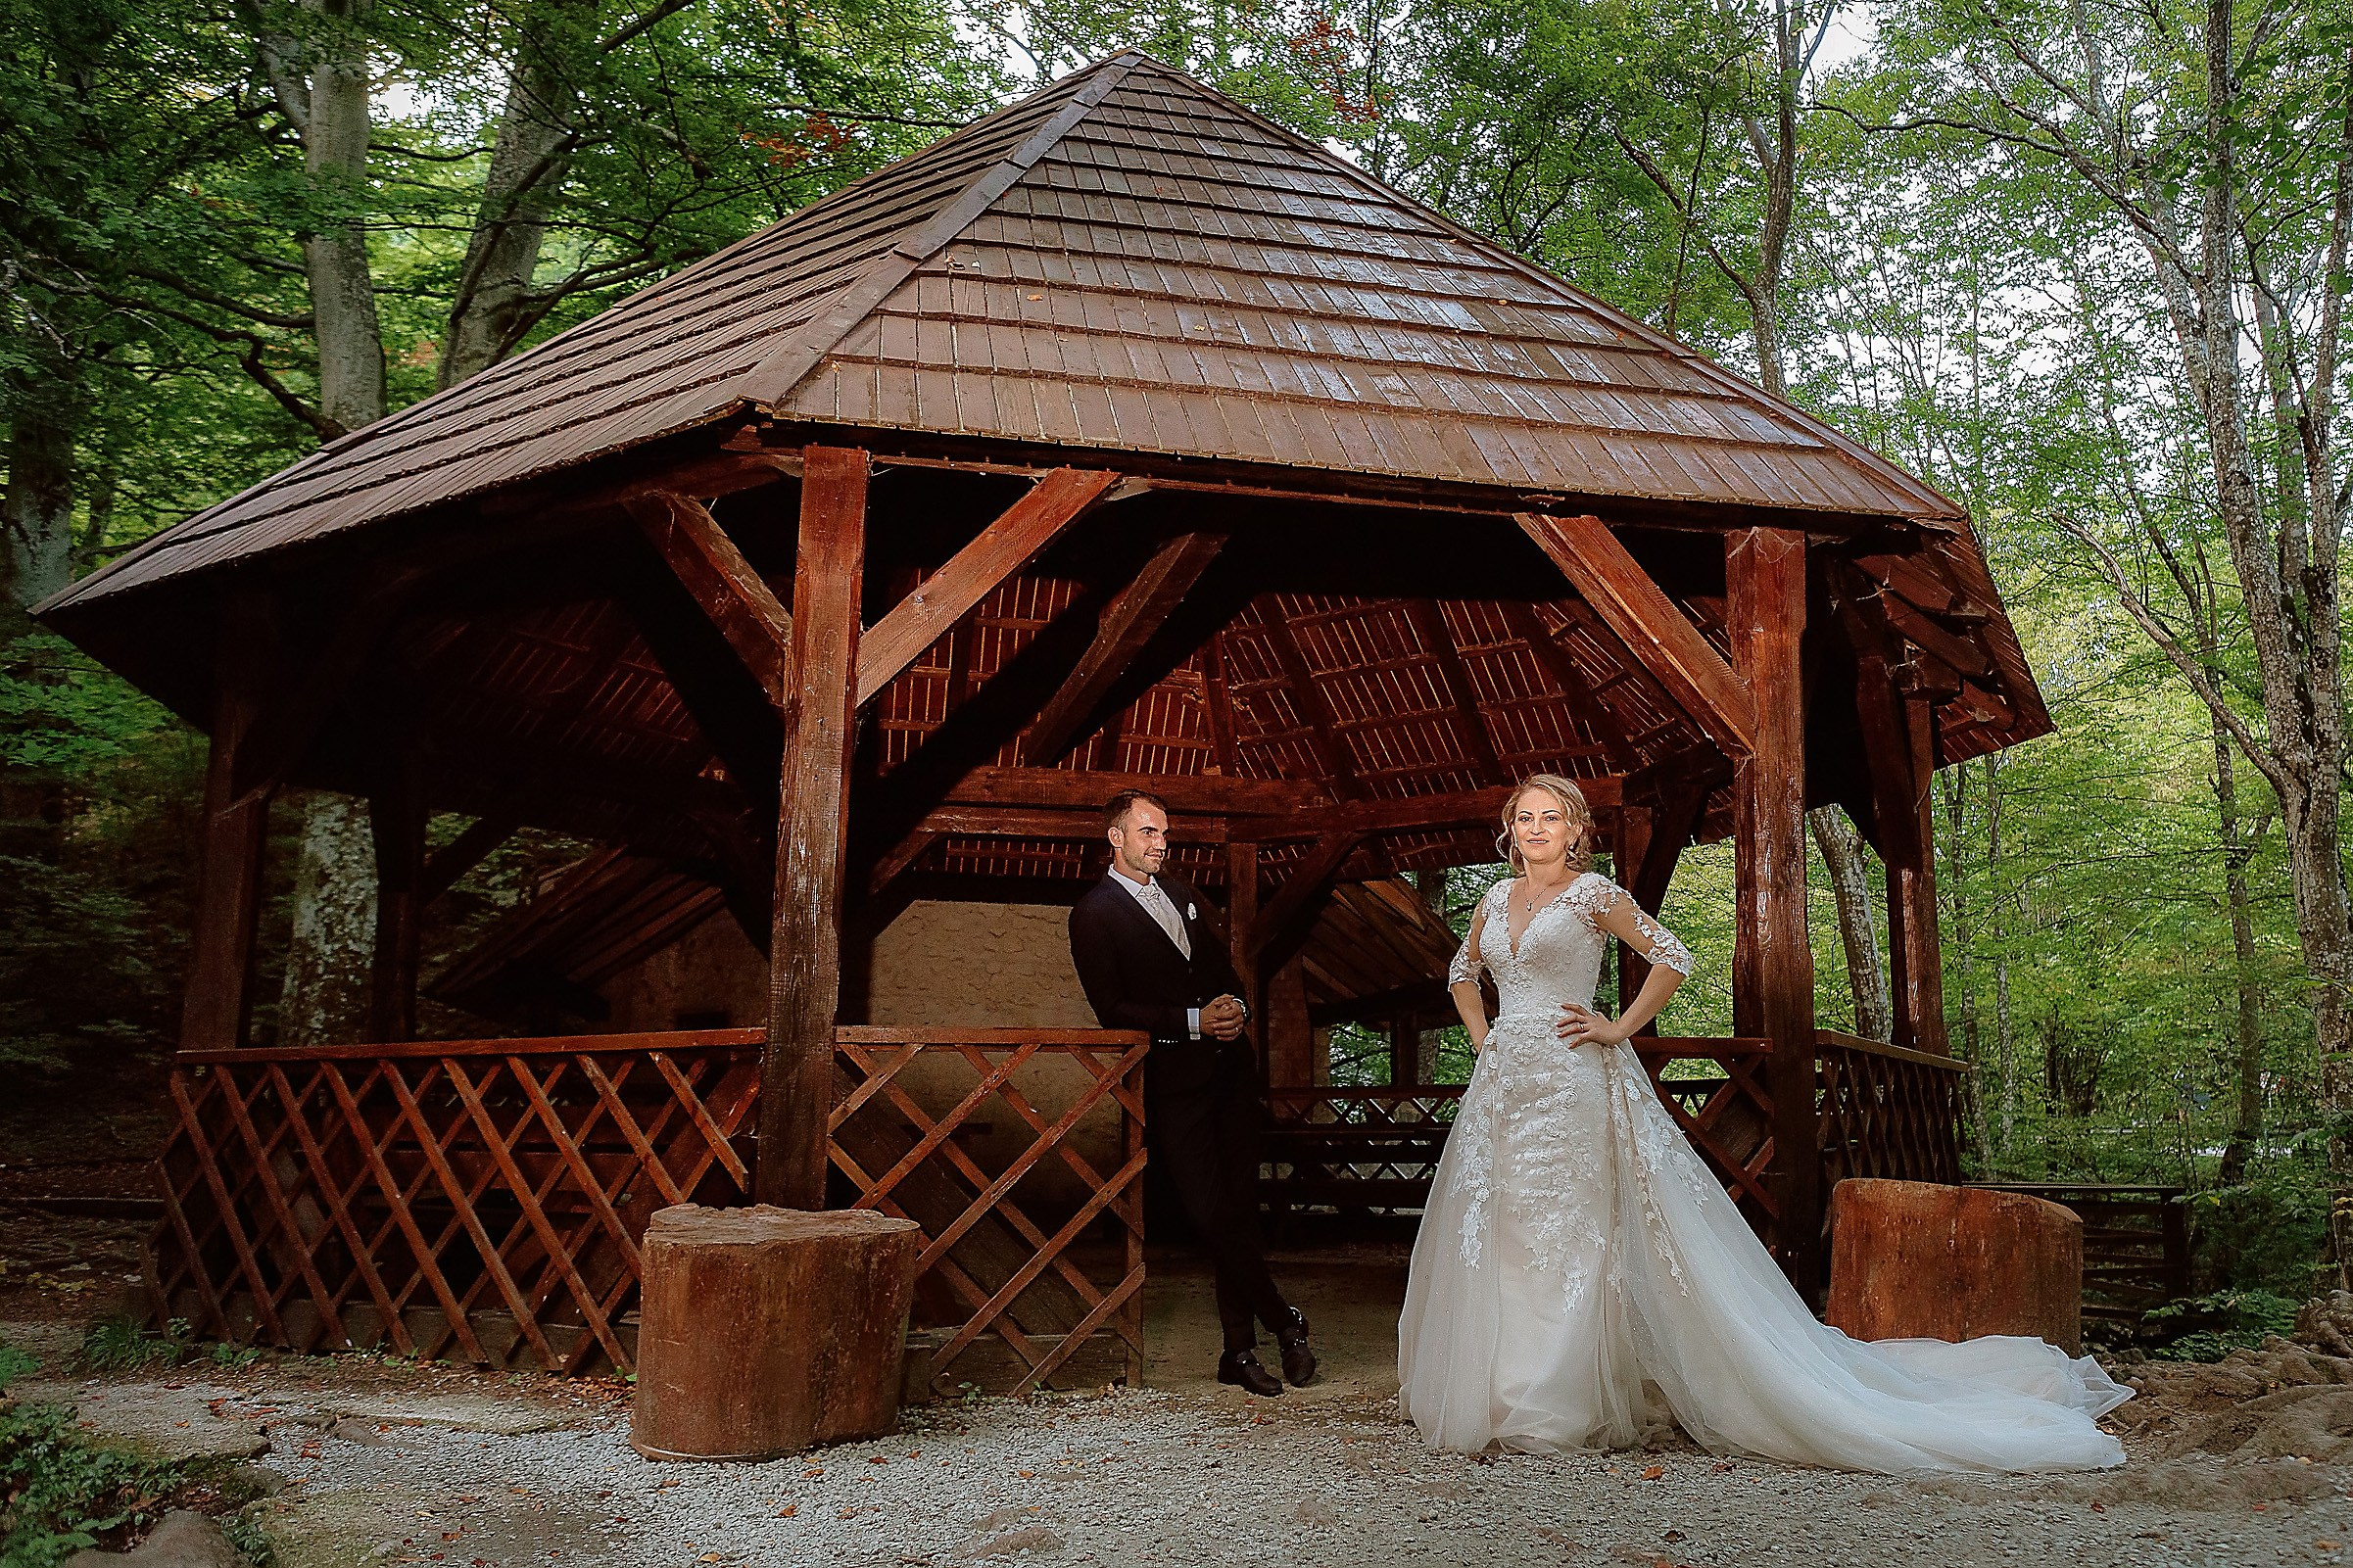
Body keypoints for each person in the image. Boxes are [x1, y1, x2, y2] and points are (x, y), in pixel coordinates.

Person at [1398, 773, 2131, 1471]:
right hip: (1504, 1087)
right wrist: (1484, 1035)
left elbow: (1673, 956)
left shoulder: (1594, 894)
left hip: (1572, 1083)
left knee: (1571, 1231)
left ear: (1576, 830)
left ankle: (1552, 1402)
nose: (1535, 829)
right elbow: (1462, 972)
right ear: (1510, 830)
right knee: (1505, 1233)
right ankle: (1492, 1389)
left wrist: (1619, 1027)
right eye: (1524, 818)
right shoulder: (1493, 899)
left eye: (1549, 817)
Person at [1069, 789, 1314, 1396]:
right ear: (1116, 838)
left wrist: (1236, 1008)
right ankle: (1286, 1322)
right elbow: (1112, 1008)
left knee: (1238, 1211)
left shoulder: (1181, 896)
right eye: (1148, 832)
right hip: (1172, 1082)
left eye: (1164, 834)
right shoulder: (1094, 913)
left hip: (1231, 1074)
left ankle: (1238, 1350)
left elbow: (1221, 970)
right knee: (1209, 1214)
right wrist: (1193, 1020)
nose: (1160, 844)